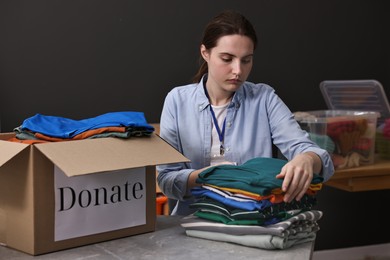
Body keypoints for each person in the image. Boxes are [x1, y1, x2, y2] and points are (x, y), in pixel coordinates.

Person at [157, 10, 334, 216]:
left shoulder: (264, 98)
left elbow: (314, 154)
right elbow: (167, 180)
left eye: (246, 60)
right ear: (205, 53)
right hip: (192, 221)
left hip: (255, 221)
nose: (238, 70)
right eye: (227, 58)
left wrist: (308, 159)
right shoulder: (177, 101)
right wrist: (213, 176)